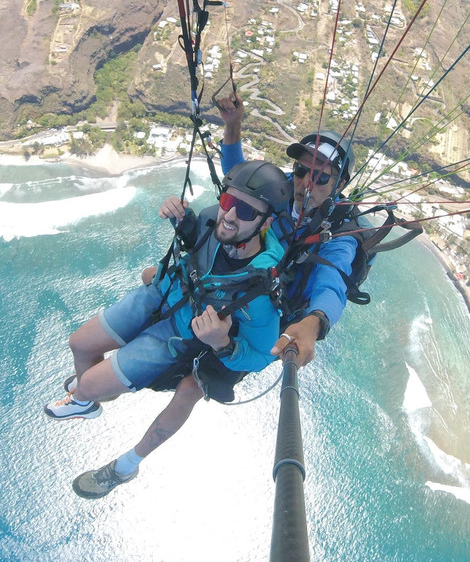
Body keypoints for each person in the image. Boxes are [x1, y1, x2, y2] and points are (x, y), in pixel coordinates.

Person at [45, 160, 292, 498]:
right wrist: (183, 221)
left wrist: (223, 345)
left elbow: (262, 356)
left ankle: (98, 408)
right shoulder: (209, 218)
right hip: (161, 294)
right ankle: (94, 396)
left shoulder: (260, 291)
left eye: (246, 211)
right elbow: (198, 247)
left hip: (174, 336)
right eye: (227, 201)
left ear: (267, 223)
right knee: (79, 344)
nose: (230, 215)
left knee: (88, 384)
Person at [217, 89, 359, 368]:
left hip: (271, 314)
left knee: (192, 387)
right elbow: (239, 177)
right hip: (240, 288)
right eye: (300, 170)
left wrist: (314, 322)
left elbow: (332, 281)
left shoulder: (340, 233)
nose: (305, 182)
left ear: (339, 186)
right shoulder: (280, 188)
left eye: (319, 177)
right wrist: (232, 125)